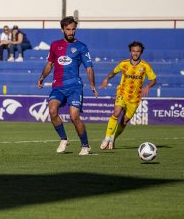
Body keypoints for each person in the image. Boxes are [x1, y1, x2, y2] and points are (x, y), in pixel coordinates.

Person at [37, 16, 98, 155]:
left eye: (73, 29)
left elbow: (89, 67)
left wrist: (92, 85)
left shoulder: (81, 46)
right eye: (68, 29)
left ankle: (85, 145)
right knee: (52, 110)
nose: (71, 32)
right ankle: (64, 139)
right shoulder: (54, 45)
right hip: (58, 86)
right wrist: (42, 77)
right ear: (62, 30)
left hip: (74, 87)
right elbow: (49, 64)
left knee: (74, 117)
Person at [99, 41, 157, 150]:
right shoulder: (123, 64)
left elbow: (153, 80)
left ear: (141, 53)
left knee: (125, 121)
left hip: (135, 98)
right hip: (122, 93)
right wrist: (107, 79)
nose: (135, 53)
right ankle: (106, 138)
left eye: (138, 51)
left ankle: (113, 138)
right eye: (133, 51)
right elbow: (113, 72)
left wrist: (148, 87)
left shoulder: (145, 66)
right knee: (116, 113)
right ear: (130, 52)